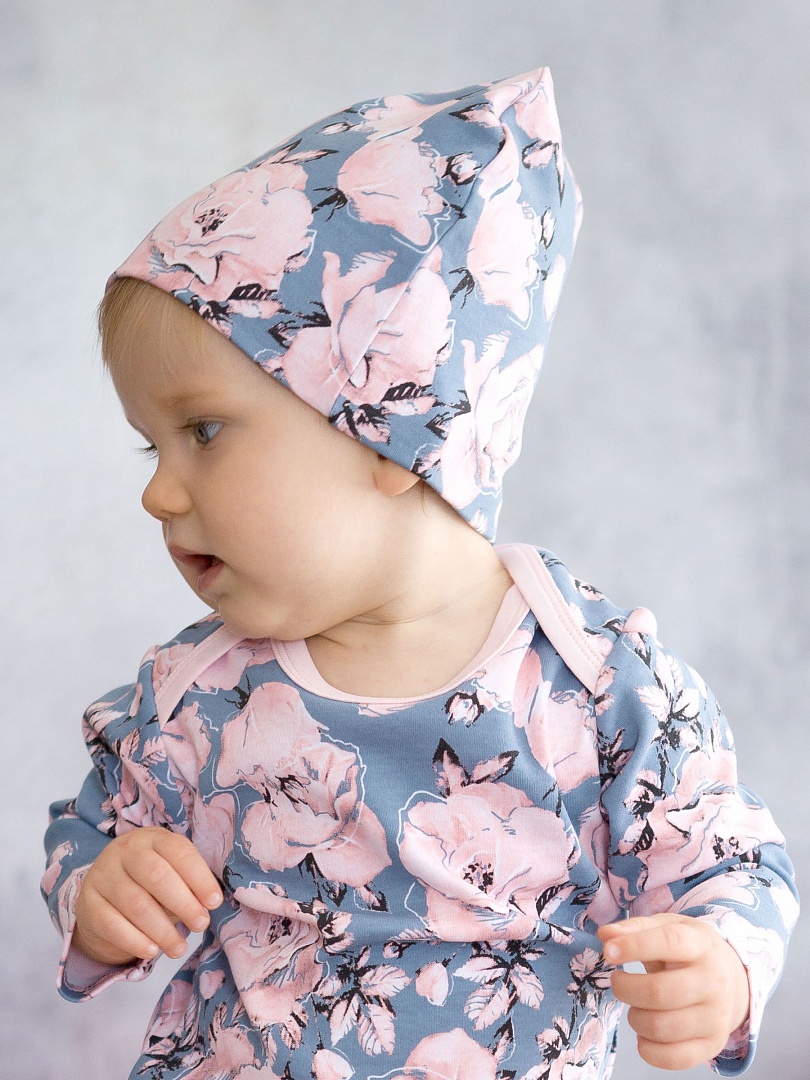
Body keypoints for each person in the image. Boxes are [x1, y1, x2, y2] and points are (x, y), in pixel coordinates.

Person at [41, 65, 798, 1080]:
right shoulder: (198, 697)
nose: (158, 495)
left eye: (204, 432)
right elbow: (92, 832)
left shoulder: (596, 687)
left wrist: (722, 966)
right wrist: (103, 892)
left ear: (397, 424)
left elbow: (728, 861)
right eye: (153, 447)